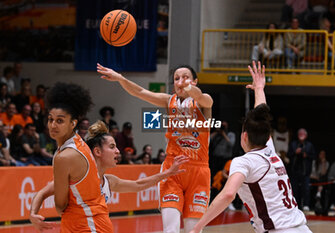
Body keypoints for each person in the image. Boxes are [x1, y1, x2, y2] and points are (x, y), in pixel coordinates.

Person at [189, 61, 311, 233]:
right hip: (302, 228)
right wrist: (259, 89)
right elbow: (261, 117)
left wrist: (198, 226)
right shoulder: (269, 149)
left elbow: (228, 194)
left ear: (244, 136)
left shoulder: (244, 162)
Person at [97, 63, 213, 233]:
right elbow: (140, 92)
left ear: (195, 81)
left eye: (186, 77)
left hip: (199, 172)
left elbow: (202, 97)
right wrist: (120, 78)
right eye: (176, 78)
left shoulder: (204, 101)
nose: (180, 81)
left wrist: (188, 87)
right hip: (173, 170)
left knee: (193, 230)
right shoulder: (169, 101)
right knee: (170, 230)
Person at [29, 120, 189, 232]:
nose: (118, 151)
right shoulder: (77, 177)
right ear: (97, 152)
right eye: (112, 147)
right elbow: (42, 193)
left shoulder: (109, 181)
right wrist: (33, 214)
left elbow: (138, 185)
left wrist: (167, 173)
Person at [45, 82, 113, 232]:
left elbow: (60, 205)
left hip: (88, 225)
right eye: (51, 119)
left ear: (73, 123)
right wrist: (32, 211)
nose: (53, 125)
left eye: (60, 120)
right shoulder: (78, 143)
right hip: (87, 222)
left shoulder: (65, 156)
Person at [288, 128, 316, 211]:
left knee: (306, 189)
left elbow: (314, 156)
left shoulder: (309, 145)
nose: (301, 135)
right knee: (295, 189)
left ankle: (306, 204)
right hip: (295, 170)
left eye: (303, 134)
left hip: (305, 171)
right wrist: (295, 153)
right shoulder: (293, 144)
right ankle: (295, 204)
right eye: (300, 134)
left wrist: (306, 155)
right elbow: (288, 154)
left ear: (306, 136)